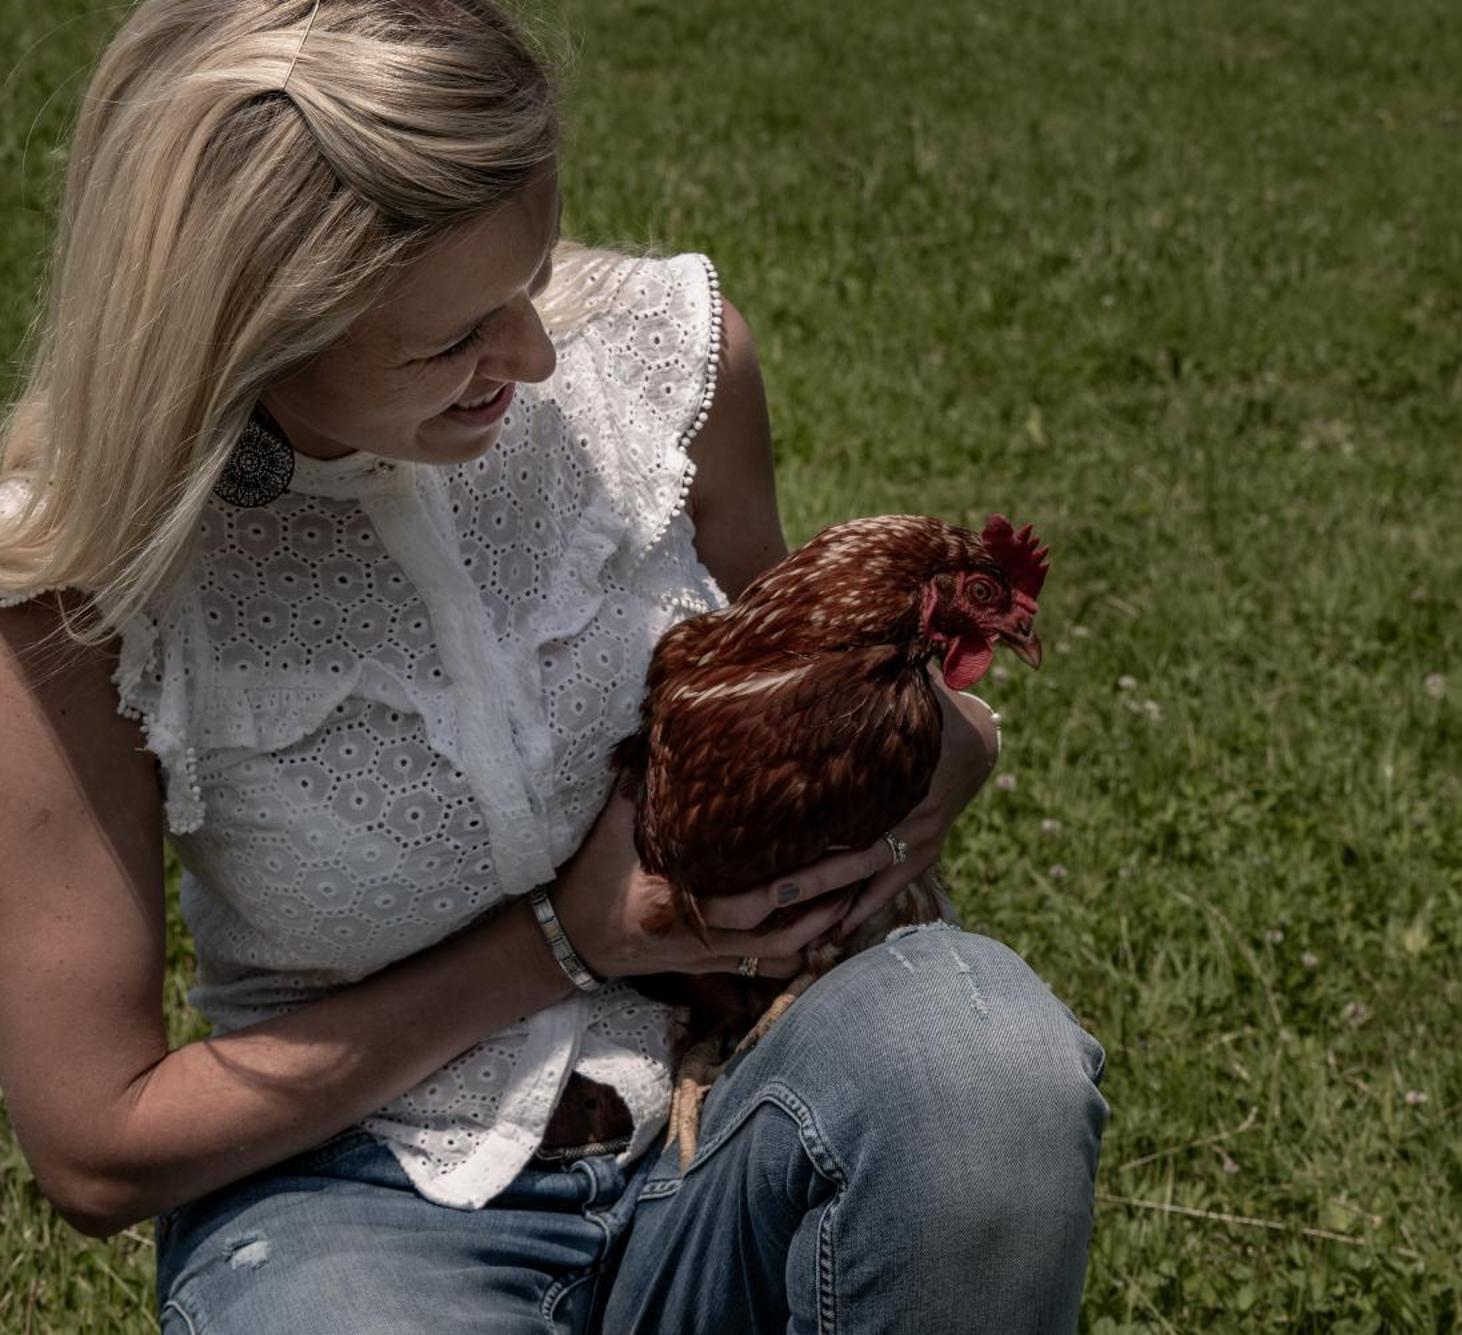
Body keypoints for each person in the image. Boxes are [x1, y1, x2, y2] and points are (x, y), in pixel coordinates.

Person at [0, 2, 1108, 1330]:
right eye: (456, 334)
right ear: (249, 328)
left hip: (740, 1080)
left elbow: (816, 705)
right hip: (352, 1201)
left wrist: (940, 759)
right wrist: (557, 947)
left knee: (979, 1060)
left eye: (529, 279)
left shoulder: (654, 366)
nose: (531, 356)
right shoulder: (85, 581)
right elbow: (95, 1146)